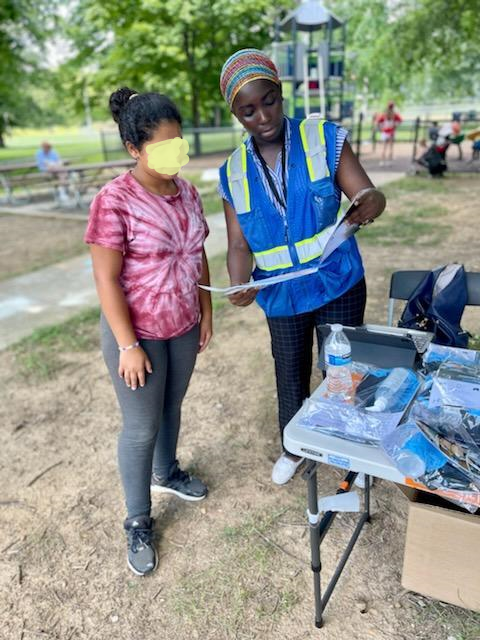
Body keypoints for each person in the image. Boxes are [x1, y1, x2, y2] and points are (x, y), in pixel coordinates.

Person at [218, 49, 386, 486]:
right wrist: (239, 283)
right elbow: (238, 243)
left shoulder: (321, 138)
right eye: (248, 110)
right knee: (289, 369)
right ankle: (294, 448)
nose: (263, 117)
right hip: (281, 294)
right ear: (236, 115)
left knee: (343, 369)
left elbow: (367, 193)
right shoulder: (232, 172)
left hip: (337, 281)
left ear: (280, 93)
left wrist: (370, 203)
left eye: (269, 101)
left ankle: (353, 453)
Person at [84, 87, 212, 576]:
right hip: (135, 333)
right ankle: (138, 520)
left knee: (172, 406)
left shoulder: (187, 191)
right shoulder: (114, 200)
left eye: (178, 143)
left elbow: (196, 251)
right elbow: (105, 278)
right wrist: (128, 345)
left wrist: (205, 308)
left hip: (182, 323)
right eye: (161, 147)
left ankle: (168, 473)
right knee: (140, 427)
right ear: (134, 149)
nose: (173, 154)